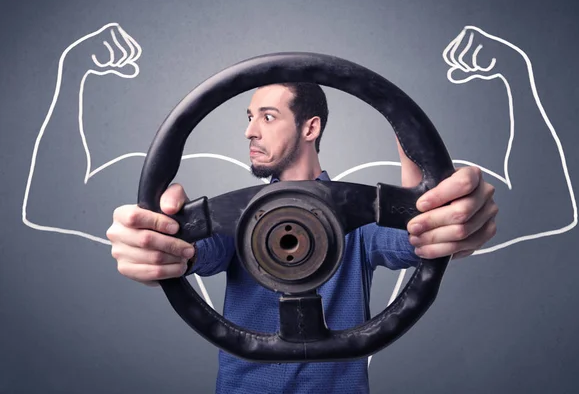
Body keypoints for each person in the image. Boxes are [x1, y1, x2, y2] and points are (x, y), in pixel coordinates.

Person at [107, 82, 498, 393]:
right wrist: (159, 239)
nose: (249, 131)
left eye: (268, 116)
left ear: (310, 127)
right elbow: (196, 252)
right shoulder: (235, 221)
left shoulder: (360, 221)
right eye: (249, 117)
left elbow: (417, 240)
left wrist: (444, 218)